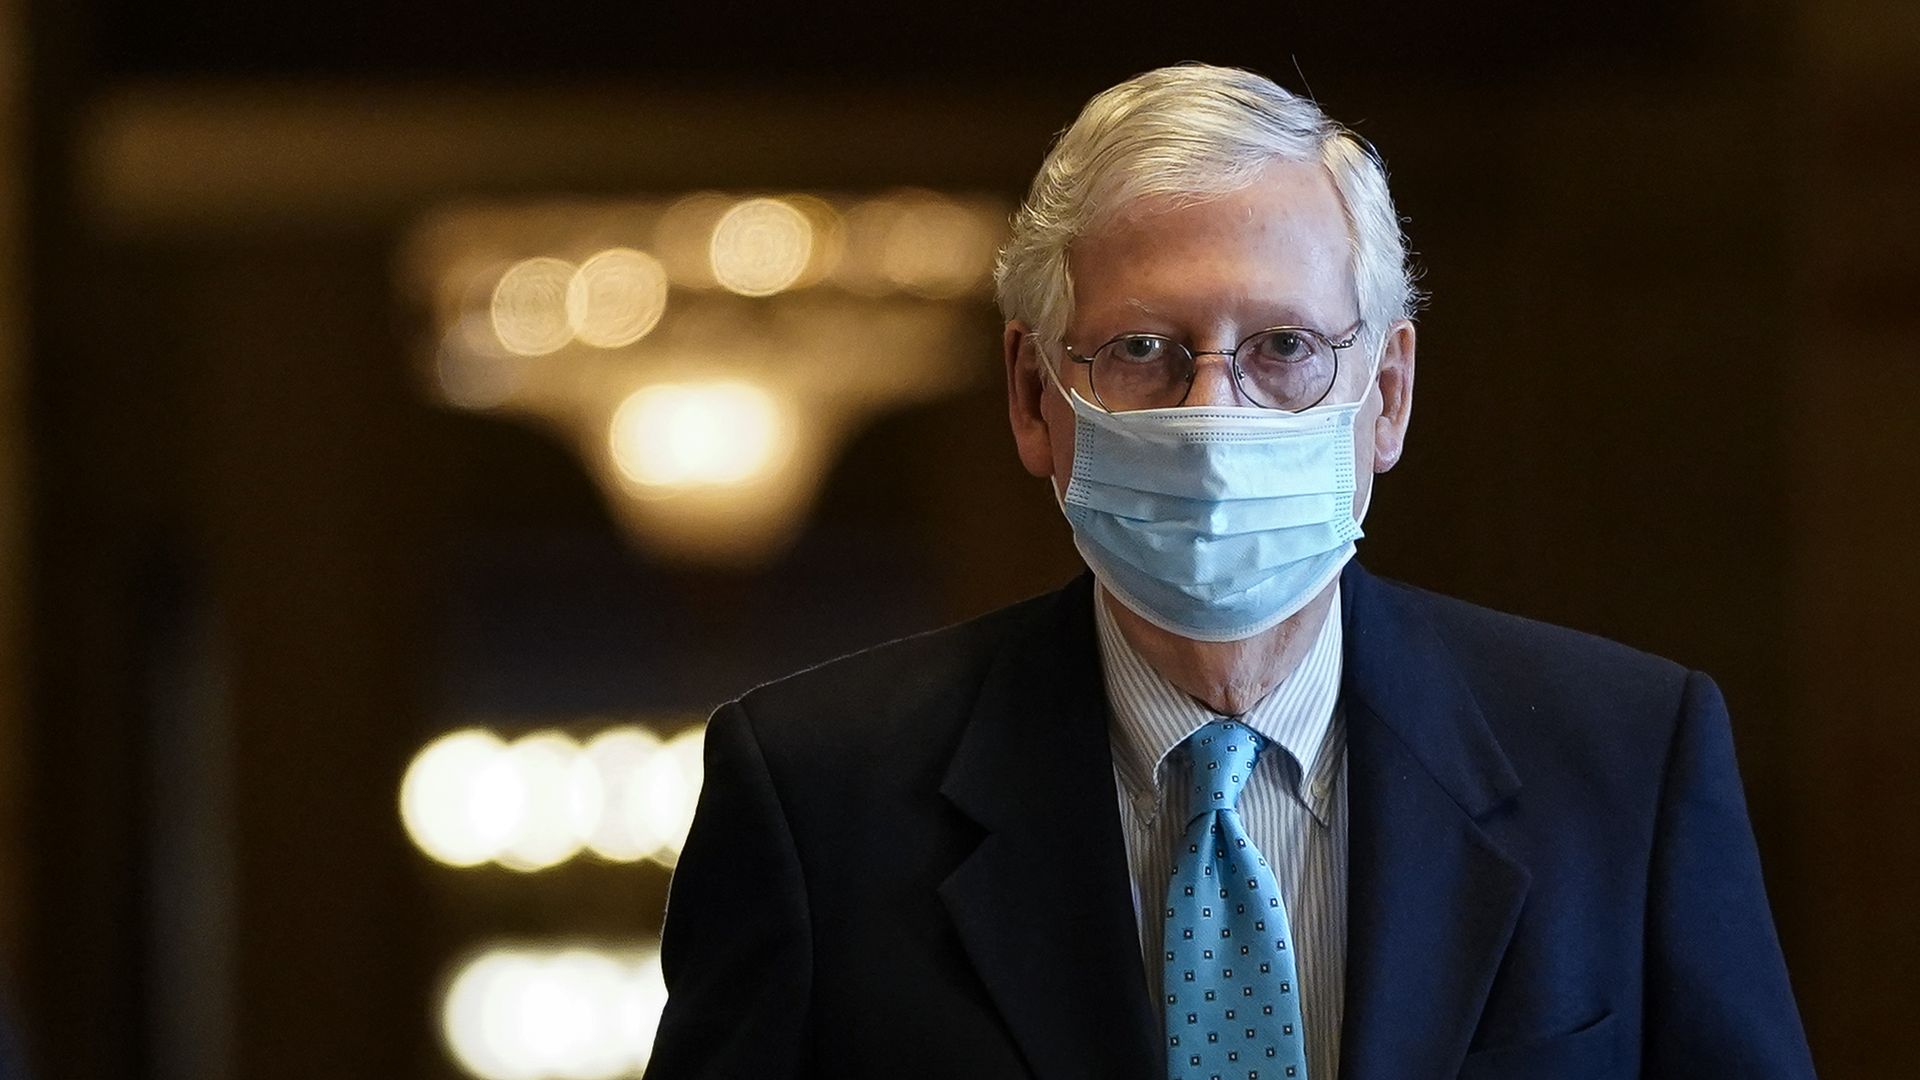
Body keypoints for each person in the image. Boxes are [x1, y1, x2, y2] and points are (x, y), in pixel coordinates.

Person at [644, 63, 1816, 1080]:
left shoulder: (1621, 763)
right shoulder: (820, 797)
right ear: (1034, 396)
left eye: (1284, 348)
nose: (1216, 415)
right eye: (1143, 349)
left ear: (1388, 394)